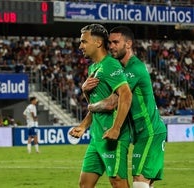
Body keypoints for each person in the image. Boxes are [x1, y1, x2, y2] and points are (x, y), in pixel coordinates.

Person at [73, 26, 167, 188]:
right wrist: (84, 121)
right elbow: (99, 100)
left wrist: (112, 124)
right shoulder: (110, 67)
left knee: (139, 183)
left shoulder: (133, 68)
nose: (111, 46)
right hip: (135, 132)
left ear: (128, 44)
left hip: (149, 130)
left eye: (116, 42)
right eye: (110, 42)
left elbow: (111, 102)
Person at [69, 24, 132, 188]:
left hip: (112, 137)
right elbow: (95, 106)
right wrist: (83, 125)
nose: (80, 45)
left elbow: (125, 94)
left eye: (84, 41)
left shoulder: (110, 65)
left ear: (97, 43)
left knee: (118, 183)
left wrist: (116, 128)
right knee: (84, 184)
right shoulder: (94, 67)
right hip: (97, 137)